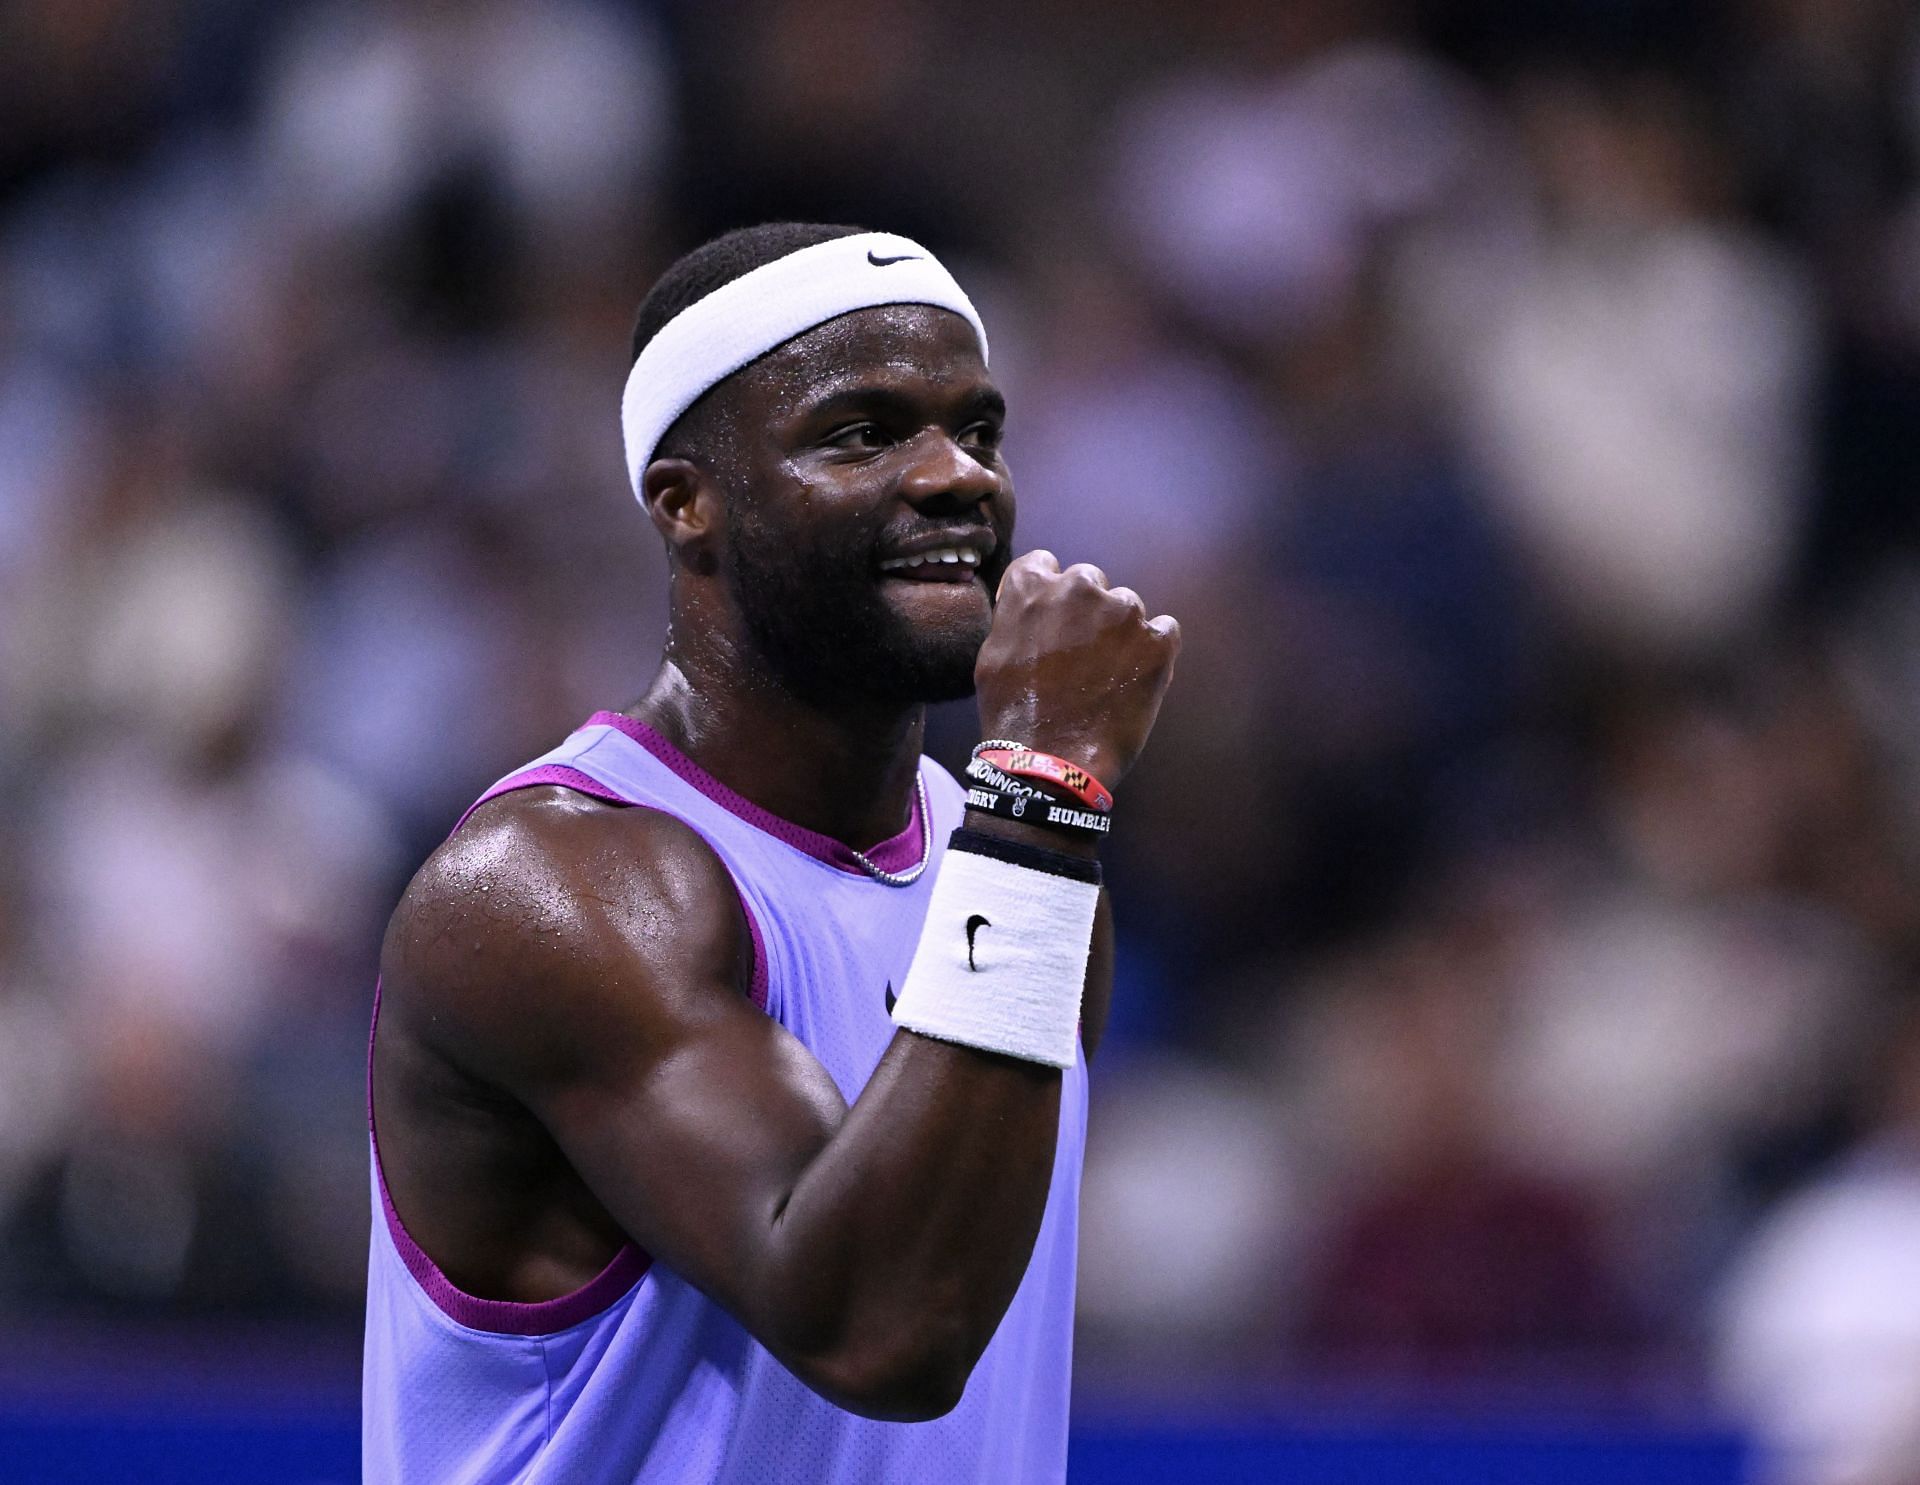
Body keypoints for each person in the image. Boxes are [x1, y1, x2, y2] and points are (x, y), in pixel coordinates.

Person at [362, 222, 1180, 1483]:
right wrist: (1044, 795)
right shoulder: (552, 889)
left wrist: (1031, 817)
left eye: (980, 430)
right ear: (686, 505)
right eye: (861, 433)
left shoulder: (1011, 862)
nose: (958, 475)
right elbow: (881, 1330)